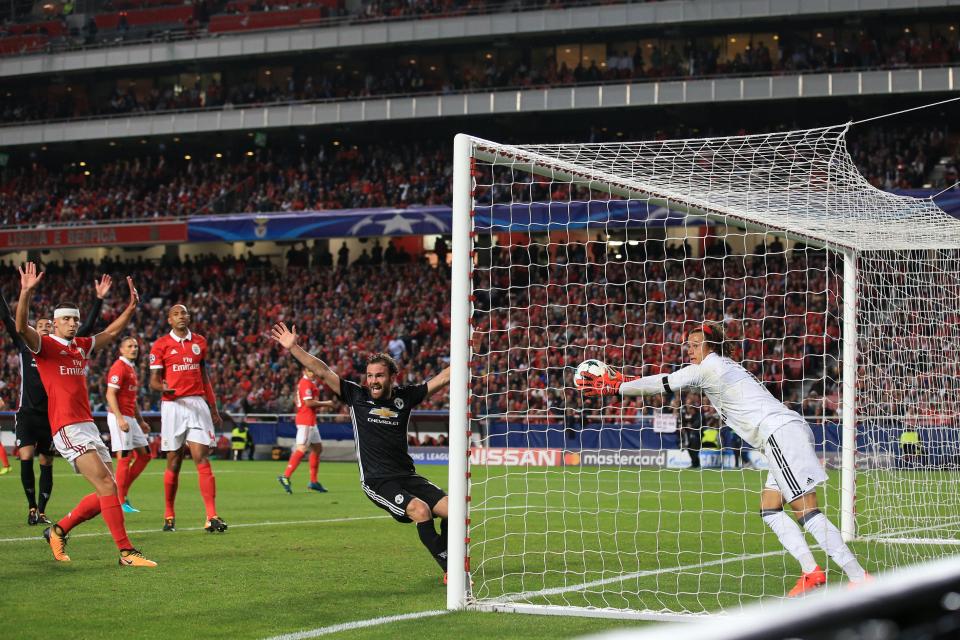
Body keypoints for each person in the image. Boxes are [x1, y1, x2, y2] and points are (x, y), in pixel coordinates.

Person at [577, 321, 870, 595]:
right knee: (770, 509)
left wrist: (616, 386)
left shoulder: (709, 367)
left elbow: (664, 383)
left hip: (779, 433)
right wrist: (623, 380)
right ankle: (811, 571)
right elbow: (665, 380)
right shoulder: (721, 366)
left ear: (710, 346)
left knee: (806, 511)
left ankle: (858, 578)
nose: (688, 350)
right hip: (782, 433)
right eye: (687, 345)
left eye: (694, 344)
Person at [270, 322, 452, 580]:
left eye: (379, 376)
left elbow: (444, 377)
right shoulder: (356, 396)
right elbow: (322, 371)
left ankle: (447, 552)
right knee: (420, 511)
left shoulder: (405, 397)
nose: (373, 381)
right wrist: (294, 348)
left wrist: (473, 350)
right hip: (377, 480)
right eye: (370, 376)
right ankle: (450, 570)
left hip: (407, 475)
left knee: (454, 511)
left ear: (391, 377)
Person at [15, 262, 155, 566]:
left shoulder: (80, 346)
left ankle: (59, 530)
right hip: (66, 427)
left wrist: (131, 308)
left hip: (87, 425)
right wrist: (26, 292)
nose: (71, 323)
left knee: (111, 490)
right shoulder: (45, 346)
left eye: (74, 319)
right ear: (54, 322)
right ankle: (126, 552)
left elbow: (112, 331)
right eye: (65, 319)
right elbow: (20, 327)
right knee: (107, 485)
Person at [0, 275, 109, 525]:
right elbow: (9, 320)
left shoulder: (60, 349)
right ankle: (31, 507)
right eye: (40, 326)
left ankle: (43, 509)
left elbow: (87, 327)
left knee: (46, 461)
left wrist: (99, 300)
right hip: (27, 412)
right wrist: (17, 292)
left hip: (52, 414)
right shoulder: (27, 346)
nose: (45, 329)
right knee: (26, 457)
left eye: (49, 326)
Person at [149, 304, 226, 533]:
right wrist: (162, 388)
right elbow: (153, 380)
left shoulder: (200, 342)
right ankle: (169, 514)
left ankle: (211, 515)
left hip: (197, 403)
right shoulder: (161, 345)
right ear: (169, 320)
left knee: (201, 456)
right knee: (174, 460)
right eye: (176, 314)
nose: (181, 316)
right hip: (173, 406)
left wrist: (213, 407)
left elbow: (204, 376)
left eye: (184, 313)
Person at [105, 336, 152, 513]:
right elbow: (110, 394)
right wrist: (120, 418)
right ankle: (120, 499)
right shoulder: (119, 367)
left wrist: (140, 420)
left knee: (146, 455)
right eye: (130, 346)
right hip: (120, 417)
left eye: (135, 346)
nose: (134, 349)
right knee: (124, 457)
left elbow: (132, 399)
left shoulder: (131, 368)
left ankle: (121, 491)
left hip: (131, 417)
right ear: (121, 350)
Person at [277, 368, 335, 493]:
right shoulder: (305, 383)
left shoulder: (307, 383)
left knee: (317, 448)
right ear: (305, 371)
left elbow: (299, 399)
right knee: (302, 448)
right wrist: (327, 403)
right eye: (311, 371)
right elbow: (308, 403)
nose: (314, 373)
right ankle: (285, 476)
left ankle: (313, 482)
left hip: (310, 421)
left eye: (314, 371)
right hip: (306, 421)